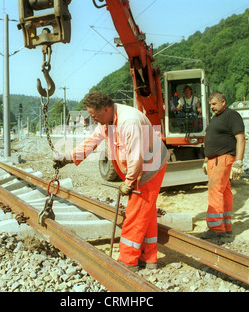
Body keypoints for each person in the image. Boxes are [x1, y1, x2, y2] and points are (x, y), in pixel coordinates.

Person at [54, 90, 169, 271]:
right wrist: (67, 157)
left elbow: (136, 157)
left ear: (106, 109)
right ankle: (149, 258)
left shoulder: (128, 122)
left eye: (94, 115)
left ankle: (128, 261)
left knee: (135, 213)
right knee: (145, 212)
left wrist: (129, 183)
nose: (93, 119)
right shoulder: (107, 120)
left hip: (149, 167)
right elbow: (92, 141)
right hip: (141, 165)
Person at [201, 91, 245, 239]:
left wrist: (238, 161)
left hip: (223, 158)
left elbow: (240, 138)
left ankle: (215, 228)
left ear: (223, 102)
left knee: (215, 190)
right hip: (214, 159)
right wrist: (207, 159)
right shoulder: (216, 118)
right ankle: (225, 226)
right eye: (210, 105)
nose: (212, 107)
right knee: (224, 192)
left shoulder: (232, 116)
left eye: (214, 104)